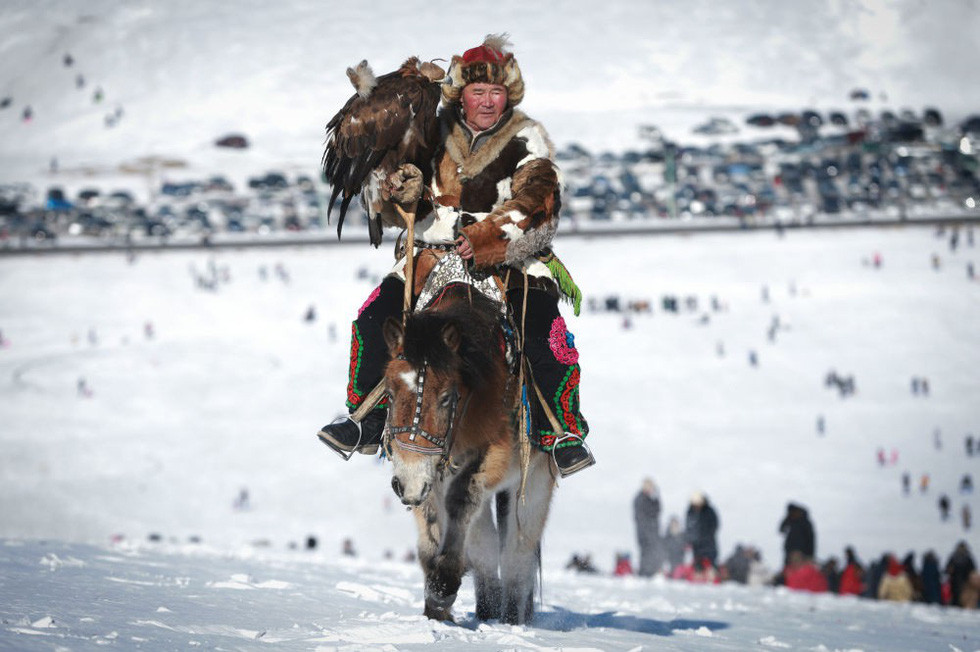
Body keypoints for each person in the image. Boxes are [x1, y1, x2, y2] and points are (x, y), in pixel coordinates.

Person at [316, 35, 594, 477]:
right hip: (429, 255)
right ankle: (365, 419)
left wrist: (485, 237)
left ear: (509, 95)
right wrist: (407, 195)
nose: (486, 101)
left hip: (508, 262)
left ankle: (559, 430)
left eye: (496, 92)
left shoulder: (527, 139)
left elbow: (538, 203)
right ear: (461, 93)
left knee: (546, 336)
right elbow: (415, 193)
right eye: (477, 92)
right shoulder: (434, 126)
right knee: (372, 320)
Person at [633, 477, 663, 577]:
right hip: (644, 532)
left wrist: (656, 496)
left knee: (653, 552)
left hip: (653, 532)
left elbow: (657, 510)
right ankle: (644, 572)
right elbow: (641, 516)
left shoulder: (653, 498)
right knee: (645, 552)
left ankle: (651, 571)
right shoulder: (640, 498)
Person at [684, 491, 719, 569]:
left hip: (709, 543)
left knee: (711, 563)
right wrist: (689, 540)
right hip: (696, 544)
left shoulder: (709, 511)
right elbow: (688, 527)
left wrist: (707, 536)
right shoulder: (690, 512)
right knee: (697, 564)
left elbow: (714, 525)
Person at [779, 502, 816, 570]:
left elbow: (811, 539)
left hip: (802, 553)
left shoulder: (805, 523)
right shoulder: (791, 521)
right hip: (790, 552)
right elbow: (781, 530)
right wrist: (787, 518)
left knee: (800, 572)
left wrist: (810, 555)